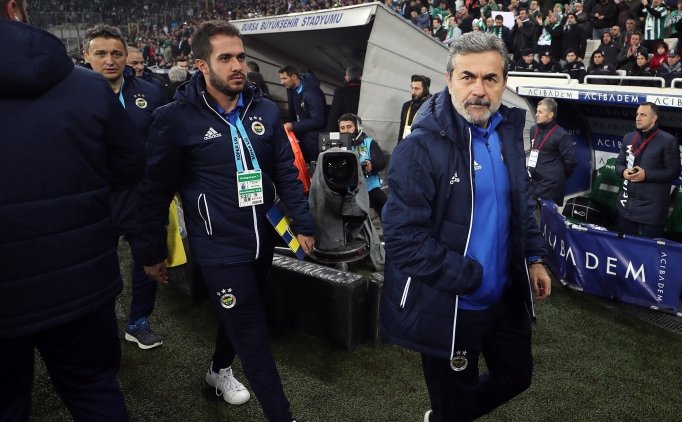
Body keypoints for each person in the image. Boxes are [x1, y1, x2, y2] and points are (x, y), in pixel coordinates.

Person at [136, 20, 315, 422]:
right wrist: (151, 251)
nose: (237, 66)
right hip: (218, 247)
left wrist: (302, 225)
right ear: (202, 64)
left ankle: (218, 370)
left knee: (242, 311)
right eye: (225, 58)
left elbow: (285, 172)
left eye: (241, 57)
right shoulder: (175, 118)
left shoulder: (264, 109)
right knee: (251, 330)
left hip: (263, 238)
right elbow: (154, 191)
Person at [380, 32, 551, 422]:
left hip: (505, 296)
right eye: (468, 77)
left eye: (490, 79)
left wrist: (534, 258)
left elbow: (521, 202)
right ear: (449, 79)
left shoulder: (507, 132)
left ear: (504, 83)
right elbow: (404, 241)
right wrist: (470, 277)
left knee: (516, 377)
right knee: (454, 404)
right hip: (454, 303)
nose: (479, 90)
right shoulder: (419, 148)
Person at [0, 1, 144, 420]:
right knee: (94, 391)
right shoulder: (87, 87)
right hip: (80, 278)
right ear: (15, 8)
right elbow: (129, 165)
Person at [83, 24, 165, 350]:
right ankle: (98, 321)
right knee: (97, 263)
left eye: (116, 53)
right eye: (101, 53)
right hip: (97, 196)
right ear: (86, 56)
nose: (110, 60)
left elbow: (162, 142)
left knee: (148, 257)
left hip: (142, 194)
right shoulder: (71, 95)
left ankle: (139, 321)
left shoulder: (151, 93)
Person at [615, 102, 681, 238]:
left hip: (652, 213)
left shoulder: (668, 141)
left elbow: (674, 172)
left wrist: (646, 175)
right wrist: (623, 172)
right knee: (624, 247)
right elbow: (619, 164)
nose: (638, 118)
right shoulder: (628, 138)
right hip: (626, 207)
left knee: (648, 250)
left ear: (654, 118)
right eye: (637, 114)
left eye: (643, 115)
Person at [527, 98, 576, 206]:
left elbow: (570, 162)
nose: (536, 114)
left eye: (540, 112)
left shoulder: (561, 135)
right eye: (537, 111)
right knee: (531, 211)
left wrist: (555, 175)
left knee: (545, 214)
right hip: (534, 181)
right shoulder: (533, 129)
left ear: (550, 115)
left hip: (550, 185)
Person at [338, 113, 388, 218]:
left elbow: (381, 163)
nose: (346, 130)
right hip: (345, 189)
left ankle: (391, 228)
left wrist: (371, 164)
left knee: (387, 208)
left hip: (369, 187)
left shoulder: (368, 142)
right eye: (342, 128)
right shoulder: (335, 144)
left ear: (358, 127)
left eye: (349, 127)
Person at [279, 64, 327, 163]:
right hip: (302, 140)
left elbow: (319, 120)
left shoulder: (312, 93)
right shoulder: (293, 91)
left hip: (314, 143)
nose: (282, 82)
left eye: (284, 78)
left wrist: (293, 126)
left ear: (294, 77)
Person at [326, 65, 362, 131]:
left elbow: (334, 115)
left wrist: (330, 132)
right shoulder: (367, 92)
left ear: (346, 77)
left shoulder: (340, 92)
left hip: (347, 131)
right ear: (361, 77)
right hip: (366, 130)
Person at [398, 74, 431, 143]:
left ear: (425, 89)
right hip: (406, 144)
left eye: (416, 89)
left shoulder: (432, 107)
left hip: (422, 146)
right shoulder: (406, 106)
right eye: (412, 88)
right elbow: (402, 128)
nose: (413, 92)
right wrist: (399, 146)